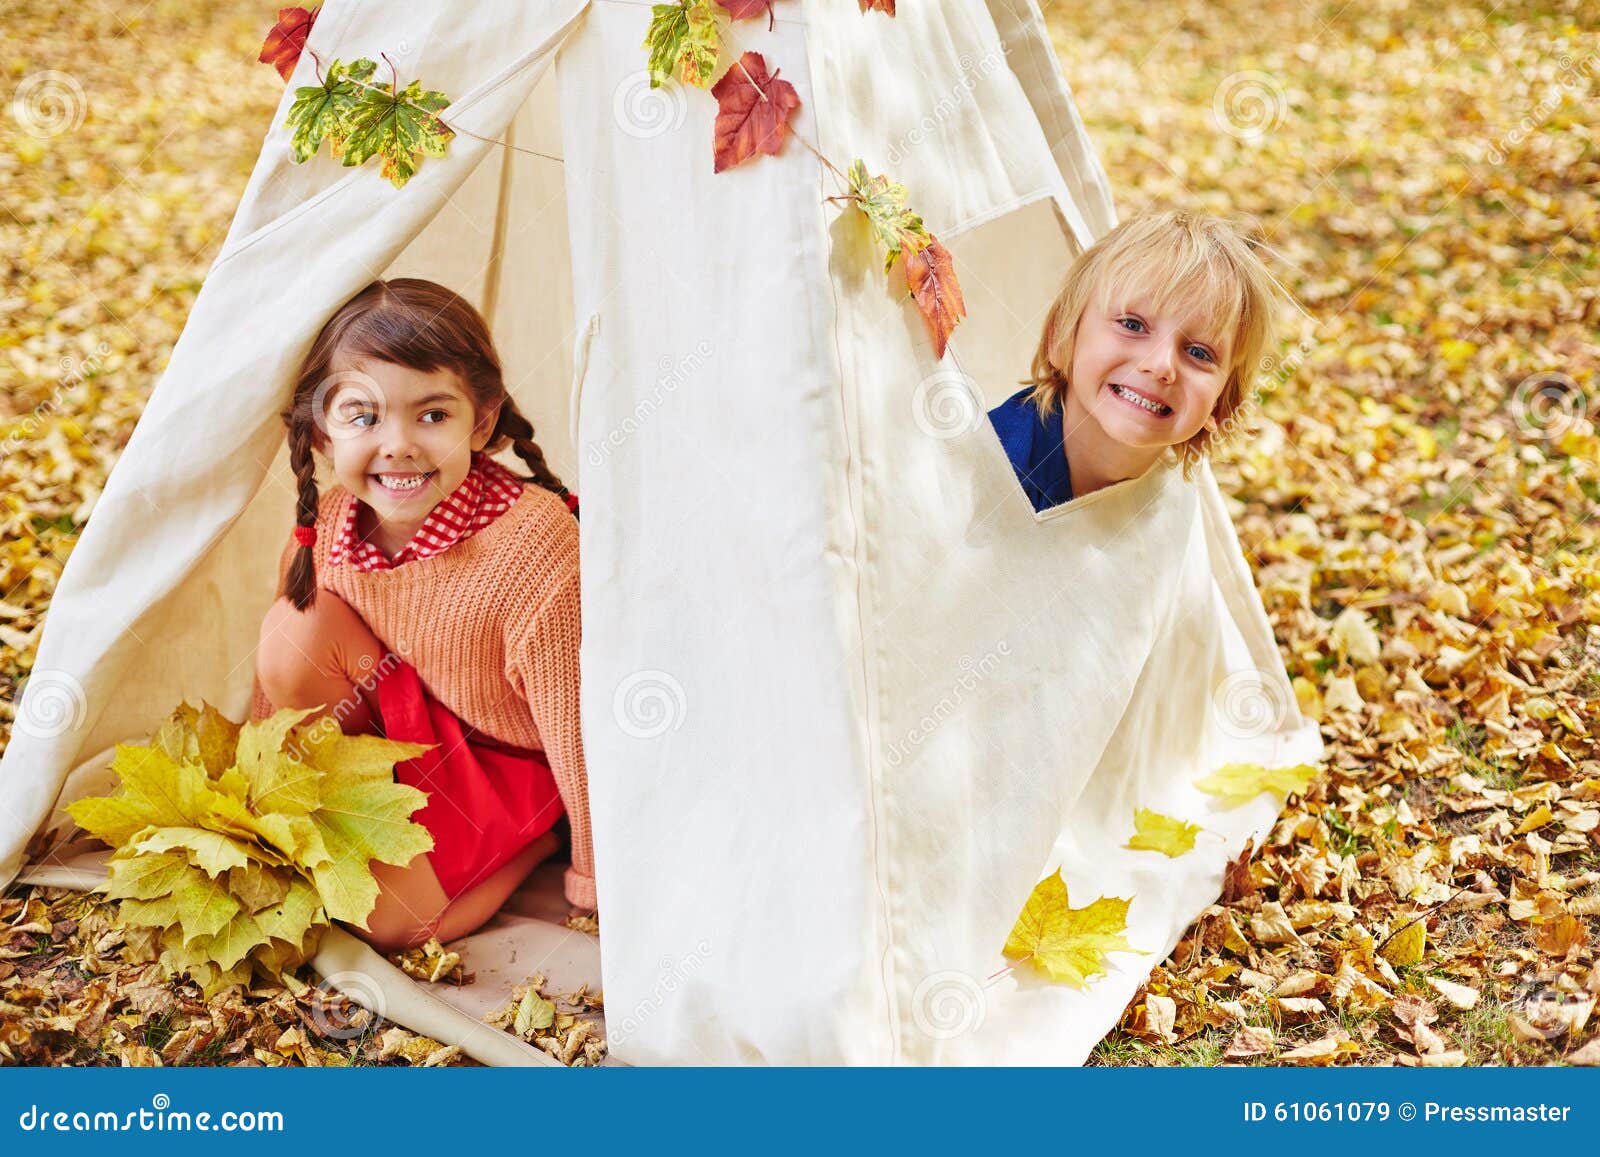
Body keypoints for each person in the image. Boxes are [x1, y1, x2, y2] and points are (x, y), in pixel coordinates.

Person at [250, 277, 592, 954]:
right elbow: (281, 678)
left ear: (483, 421)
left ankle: (530, 848)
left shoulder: (533, 544)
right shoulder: (337, 515)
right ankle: (359, 821)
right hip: (403, 735)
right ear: (323, 428)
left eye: (433, 416)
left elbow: (576, 723)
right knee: (294, 630)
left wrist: (591, 869)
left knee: (388, 922)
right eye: (364, 416)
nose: (398, 443)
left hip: (507, 761)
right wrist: (258, 795)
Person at [990, 210, 1286, 509]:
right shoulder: (993, 468)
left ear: (1222, 404)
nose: (1161, 365)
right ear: (1062, 338)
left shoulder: (1173, 495)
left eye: (1199, 353)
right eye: (1132, 325)